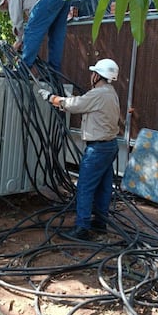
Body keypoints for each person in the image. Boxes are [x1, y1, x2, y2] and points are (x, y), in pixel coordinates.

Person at [38, 58, 120, 240]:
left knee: (85, 186)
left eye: (94, 73)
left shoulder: (98, 94)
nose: (91, 75)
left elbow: (75, 105)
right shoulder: (110, 92)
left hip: (98, 148)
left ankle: (82, 228)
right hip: (110, 146)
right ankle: (100, 223)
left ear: (98, 76)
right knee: (104, 187)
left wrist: (51, 98)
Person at [0, 0, 71, 71]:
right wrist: (23, 41)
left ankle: (24, 68)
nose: (7, 6)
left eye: (5, 4)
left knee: (31, 31)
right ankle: (54, 71)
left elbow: (17, 21)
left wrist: (18, 41)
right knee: (56, 35)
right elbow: (34, 17)